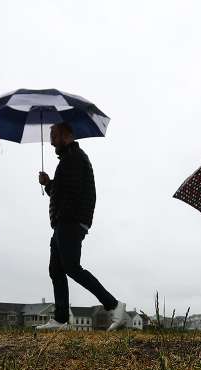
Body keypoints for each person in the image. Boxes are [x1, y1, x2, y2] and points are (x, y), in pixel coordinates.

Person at [34, 122, 127, 332]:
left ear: (66, 135)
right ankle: (60, 320)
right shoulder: (69, 159)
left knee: (72, 268)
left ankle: (114, 305)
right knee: (56, 270)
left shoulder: (74, 159)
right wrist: (49, 183)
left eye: (54, 136)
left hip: (70, 222)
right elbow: (63, 192)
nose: (51, 142)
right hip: (65, 222)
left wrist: (63, 217)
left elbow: (73, 195)